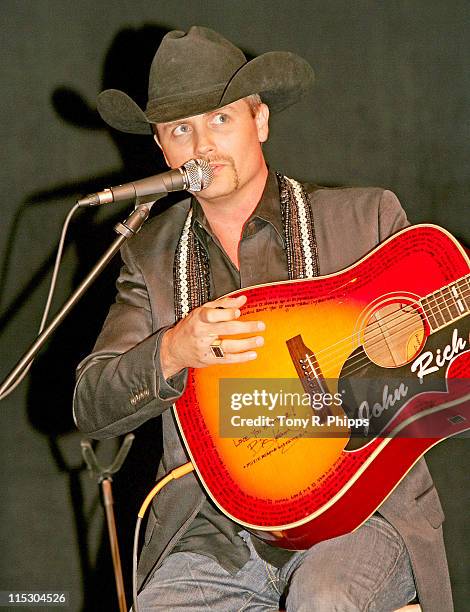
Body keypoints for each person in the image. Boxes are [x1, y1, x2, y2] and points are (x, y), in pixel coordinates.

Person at [73, 26, 453, 611]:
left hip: (360, 516)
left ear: (261, 121)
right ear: (163, 150)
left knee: (323, 598)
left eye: (221, 119)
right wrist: (172, 350)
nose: (202, 144)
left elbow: (444, 373)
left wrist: (397, 362)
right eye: (181, 129)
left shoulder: (367, 219)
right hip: (211, 533)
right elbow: (91, 406)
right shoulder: (145, 258)